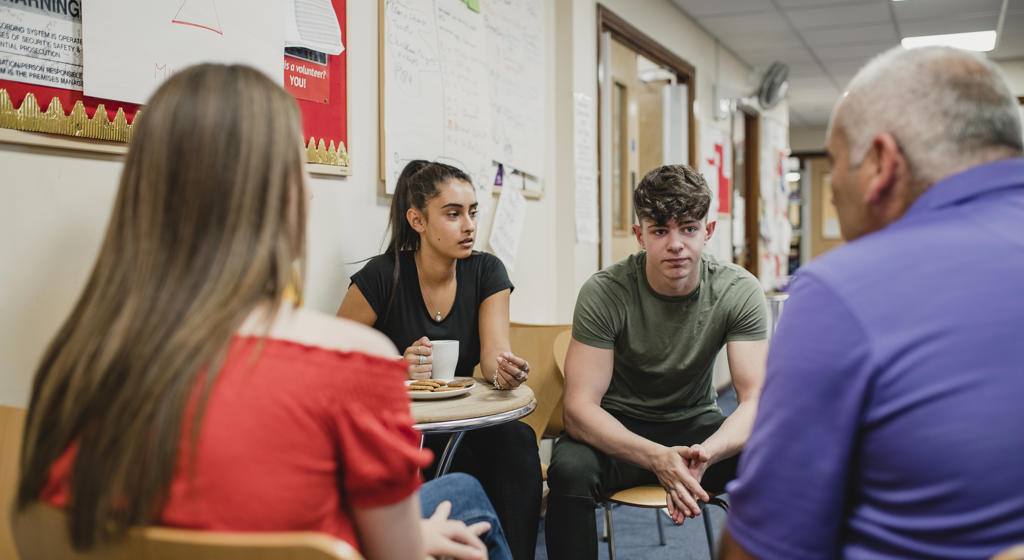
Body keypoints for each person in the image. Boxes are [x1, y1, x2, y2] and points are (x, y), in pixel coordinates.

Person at [15, 63, 510, 560]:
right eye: (301, 168)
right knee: (463, 496)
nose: (312, 190)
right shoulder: (356, 361)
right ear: (279, 197)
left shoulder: (71, 366)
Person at [721, 46, 1024, 559]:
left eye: (837, 164)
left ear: (881, 163)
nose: (834, 191)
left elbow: (762, 548)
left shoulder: (841, 290)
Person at [544, 164, 769, 560]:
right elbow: (579, 411)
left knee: (774, 456)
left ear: (708, 231)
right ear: (640, 236)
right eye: (660, 230)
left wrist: (708, 454)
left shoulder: (738, 290)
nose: (676, 244)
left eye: (688, 228)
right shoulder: (605, 291)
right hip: (619, 428)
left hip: (697, 426)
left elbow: (753, 403)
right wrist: (655, 457)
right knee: (569, 470)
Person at [337, 160, 542, 560]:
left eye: (473, 212)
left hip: (463, 423)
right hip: (399, 426)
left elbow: (492, 358)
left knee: (516, 441)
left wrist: (504, 371)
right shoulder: (382, 276)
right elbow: (333, 364)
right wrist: (396, 367)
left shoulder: (486, 271)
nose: (469, 225)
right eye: (453, 214)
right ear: (417, 220)